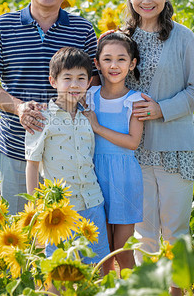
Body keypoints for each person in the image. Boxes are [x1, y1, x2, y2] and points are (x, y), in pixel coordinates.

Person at [0, 0, 99, 215]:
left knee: (69, 233)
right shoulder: (2, 27)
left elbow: (96, 84)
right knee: (22, 226)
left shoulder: (83, 30)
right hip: (17, 145)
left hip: (70, 152)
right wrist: (18, 107)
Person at [122, 0, 194, 296]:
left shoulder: (183, 36)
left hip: (175, 147)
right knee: (143, 231)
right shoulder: (121, 38)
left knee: (175, 230)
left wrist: (161, 109)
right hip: (135, 149)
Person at [25, 47, 109, 265]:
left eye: (81, 78)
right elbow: (32, 164)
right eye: (67, 78)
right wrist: (36, 205)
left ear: (89, 81)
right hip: (60, 208)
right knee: (57, 265)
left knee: (96, 263)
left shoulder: (88, 116)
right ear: (53, 81)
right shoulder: (41, 117)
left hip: (92, 201)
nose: (74, 84)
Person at [82, 30, 144, 272]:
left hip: (125, 177)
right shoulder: (89, 96)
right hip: (93, 175)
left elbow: (132, 142)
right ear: (96, 64)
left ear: (132, 64)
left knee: (123, 248)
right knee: (102, 248)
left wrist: (96, 126)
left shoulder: (136, 100)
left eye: (121, 59)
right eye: (107, 59)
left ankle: (132, 289)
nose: (114, 65)